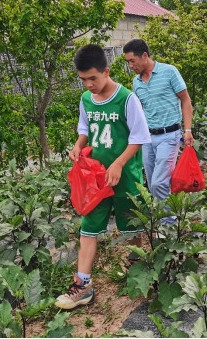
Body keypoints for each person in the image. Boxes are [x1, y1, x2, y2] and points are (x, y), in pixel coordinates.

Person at [55, 44, 151, 310]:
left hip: (125, 176)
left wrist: (119, 164)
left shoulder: (126, 98)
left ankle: (137, 268)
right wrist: (77, 145)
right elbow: (85, 128)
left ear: (106, 71)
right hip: (96, 178)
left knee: (132, 227)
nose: (88, 85)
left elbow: (139, 137)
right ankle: (83, 285)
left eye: (93, 78)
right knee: (88, 228)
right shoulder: (86, 100)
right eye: (83, 80)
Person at [123, 39, 194, 221]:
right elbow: (139, 113)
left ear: (144, 56)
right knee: (155, 182)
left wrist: (187, 129)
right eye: (128, 62)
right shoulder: (136, 82)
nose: (130, 65)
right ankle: (169, 212)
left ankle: (169, 224)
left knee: (158, 183)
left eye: (132, 61)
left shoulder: (169, 72)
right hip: (148, 139)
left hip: (169, 136)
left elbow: (185, 100)